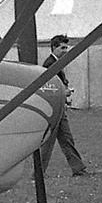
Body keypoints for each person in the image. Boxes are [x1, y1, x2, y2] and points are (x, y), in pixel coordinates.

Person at [39, 33, 88, 177]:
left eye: (67, 48)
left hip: (60, 108)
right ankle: (39, 172)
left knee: (67, 139)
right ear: (54, 48)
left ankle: (78, 168)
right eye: (62, 48)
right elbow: (48, 87)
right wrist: (64, 92)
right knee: (49, 143)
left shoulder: (57, 63)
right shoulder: (50, 64)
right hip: (54, 108)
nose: (65, 51)